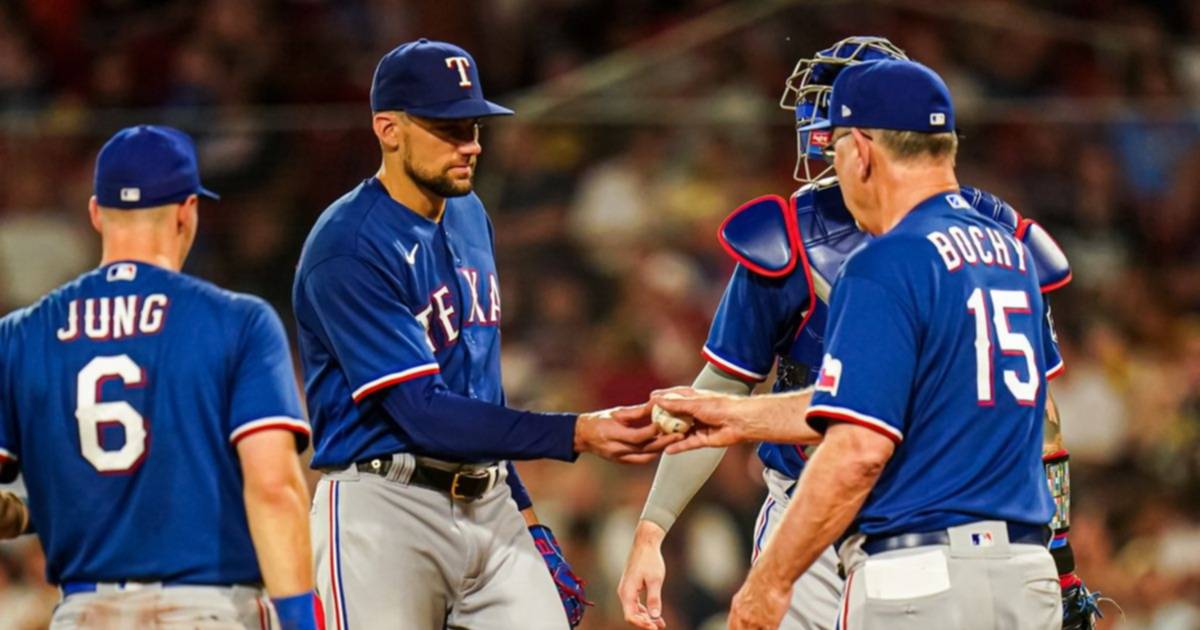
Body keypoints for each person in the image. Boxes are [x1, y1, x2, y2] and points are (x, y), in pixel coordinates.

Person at [619, 36, 1090, 630]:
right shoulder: (1009, 246)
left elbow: (859, 442)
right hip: (1014, 552)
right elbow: (1031, 418)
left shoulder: (883, 261)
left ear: (862, 148)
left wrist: (767, 583)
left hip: (902, 543)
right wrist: (1060, 555)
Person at [293, 39, 676, 630]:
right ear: (388, 130)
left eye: (472, 125)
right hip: (384, 509)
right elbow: (421, 412)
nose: (470, 144)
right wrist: (576, 431)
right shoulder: (347, 246)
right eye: (447, 128)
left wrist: (525, 512)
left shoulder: (469, 212)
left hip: (489, 499)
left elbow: (479, 392)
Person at [0, 125, 321, 629]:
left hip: (84, 612)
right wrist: (301, 620)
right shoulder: (238, 322)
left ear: (96, 213)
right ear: (187, 211)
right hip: (207, 608)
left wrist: (32, 512)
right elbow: (273, 488)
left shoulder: (20, 335)